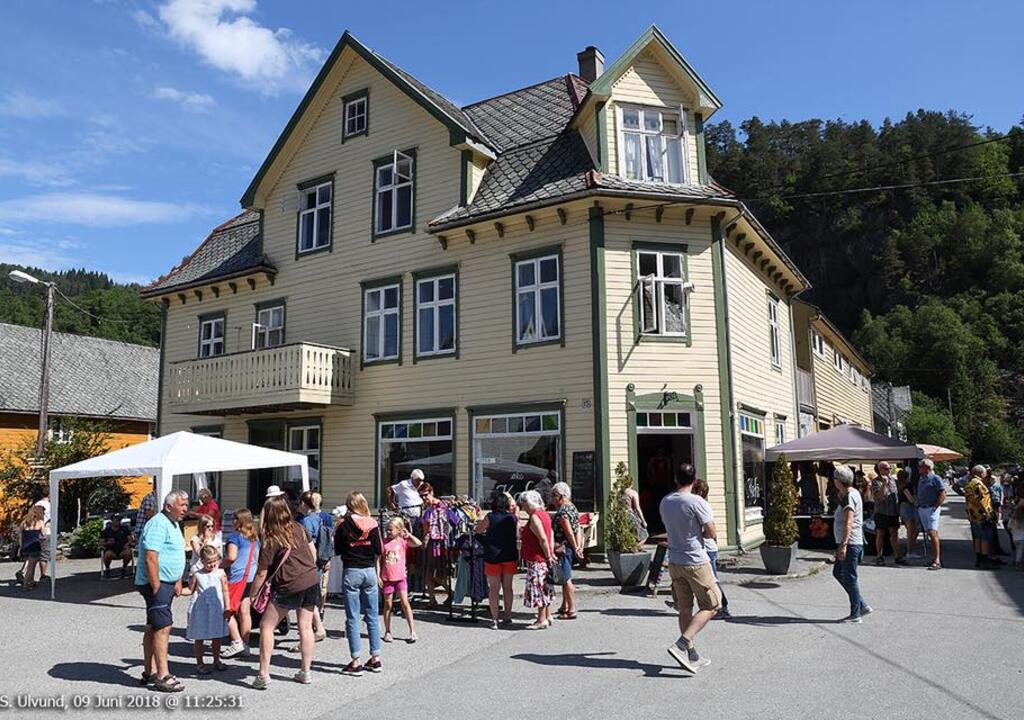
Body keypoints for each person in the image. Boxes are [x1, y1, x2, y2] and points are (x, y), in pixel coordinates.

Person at [249, 495, 320, 689]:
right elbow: (313, 554)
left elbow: (261, 572)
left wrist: (253, 595)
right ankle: (305, 672)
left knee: (266, 626)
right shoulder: (299, 528)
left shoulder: (272, 538)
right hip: (310, 579)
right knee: (305, 627)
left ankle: (263, 674)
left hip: (288, 584)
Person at [660, 463, 720, 672]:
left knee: (685, 608)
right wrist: (698, 534)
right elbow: (711, 532)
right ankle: (681, 644)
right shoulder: (697, 502)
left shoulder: (666, 501)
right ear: (694, 481)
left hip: (675, 560)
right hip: (695, 560)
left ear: (676, 479)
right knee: (712, 605)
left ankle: (691, 654)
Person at [135, 489, 189, 693]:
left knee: (153, 625)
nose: (185, 509)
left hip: (167, 582)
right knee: (163, 626)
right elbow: (151, 556)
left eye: (186, 505)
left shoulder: (172, 523)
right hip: (157, 584)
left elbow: (175, 552)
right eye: (182, 505)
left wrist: (177, 579)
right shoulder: (158, 523)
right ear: (168, 506)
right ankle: (162, 676)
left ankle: (149, 671)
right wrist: (156, 585)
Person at [334, 491, 384, 676]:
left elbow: (338, 549)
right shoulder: (373, 523)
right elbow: (379, 549)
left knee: (353, 617)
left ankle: (356, 661)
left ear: (349, 505)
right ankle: (376, 658)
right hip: (369, 570)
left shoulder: (343, 524)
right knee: (372, 615)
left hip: (352, 570)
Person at [180, 544, 230, 674]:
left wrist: (228, 607)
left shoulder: (221, 573)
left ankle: (216, 660)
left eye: (215, 561)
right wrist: (178, 591)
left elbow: (225, 590)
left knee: (217, 636)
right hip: (201, 610)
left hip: (216, 608)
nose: (212, 564)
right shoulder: (197, 574)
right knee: (199, 637)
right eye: (209, 562)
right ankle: (200, 663)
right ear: (202, 561)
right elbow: (190, 590)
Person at [832, 467, 872, 623]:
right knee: (838, 572)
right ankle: (861, 604)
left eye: (835, 479)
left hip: (850, 542)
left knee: (850, 577)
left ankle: (856, 614)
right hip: (849, 542)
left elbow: (849, 521)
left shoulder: (850, 496)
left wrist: (844, 544)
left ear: (839, 481)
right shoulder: (849, 494)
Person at [475, 490, 519, 629]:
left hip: (493, 556)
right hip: (509, 555)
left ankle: (494, 619)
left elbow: (478, 530)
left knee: (494, 589)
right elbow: (517, 534)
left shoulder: (490, 516)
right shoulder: (512, 518)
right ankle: (508, 616)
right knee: (508, 587)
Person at [221, 509, 260, 658]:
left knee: (227, 610)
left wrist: (218, 566)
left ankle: (236, 641)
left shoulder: (235, 537)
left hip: (237, 578)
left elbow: (231, 557)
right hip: (251, 577)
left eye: (235, 518)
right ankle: (245, 644)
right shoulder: (254, 538)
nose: (232, 521)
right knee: (245, 611)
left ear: (240, 520)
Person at [295, 491, 330, 647]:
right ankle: (318, 628)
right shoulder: (319, 518)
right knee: (308, 601)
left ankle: (305, 639)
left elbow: (304, 544)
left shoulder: (305, 522)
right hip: (317, 563)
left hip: (306, 563)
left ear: (303, 503)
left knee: (303, 602)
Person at [692, 477, 730, 619]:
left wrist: (697, 535)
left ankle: (723, 606)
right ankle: (680, 601)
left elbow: (710, 530)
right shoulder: (697, 505)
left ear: (699, 492)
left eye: (693, 490)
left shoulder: (701, 506)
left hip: (708, 548)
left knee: (712, 579)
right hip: (705, 547)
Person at [380, 517, 422, 643]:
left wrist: (409, 535)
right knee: (388, 604)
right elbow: (378, 560)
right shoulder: (384, 543)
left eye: (391, 530)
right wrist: (378, 575)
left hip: (401, 577)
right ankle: (387, 631)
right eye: (387, 530)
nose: (388, 532)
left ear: (399, 530)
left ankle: (412, 631)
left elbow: (418, 543)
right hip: (387, 577)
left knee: (405, 602)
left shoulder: (402, 541)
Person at [518, 489, 554, 630]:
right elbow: (550, 534)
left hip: (537, 558)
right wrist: (550, 553)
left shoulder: (534, 517)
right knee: (545, 587)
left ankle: (541, 619)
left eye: (524, 504)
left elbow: (542, 538)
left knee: (539, 588)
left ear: (529, 504)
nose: (523, 508)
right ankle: (548, 615)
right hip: (542, 557)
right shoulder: (544, 514)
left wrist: (548, 555)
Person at [419, 483, 454, 607]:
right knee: (431, 573)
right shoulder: (433, 507)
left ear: (432, 492)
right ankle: (433, 599)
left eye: (425, 495)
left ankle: (449, 594)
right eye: (421, 496)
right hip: (436, 543)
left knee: (435, 574)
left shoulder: (438, 507)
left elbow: (427, 527)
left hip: (436, 543)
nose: (424, 498)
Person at [551, 482, 582, 621]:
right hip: (570, 546)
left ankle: (572, 609)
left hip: (563, 547)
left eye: (554, 495)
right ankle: (564, 606)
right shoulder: (573, 507)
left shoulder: (563, 512)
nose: (552, 499)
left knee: (566, 578)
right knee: (565, 576)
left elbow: (568, 531)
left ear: (560, 496)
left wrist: (575, 547)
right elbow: (578, 528)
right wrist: (579, 546)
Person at [964, 465, 1001, 569]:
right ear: (981, 473)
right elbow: (981, 500)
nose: (985, 474)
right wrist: (987, 513)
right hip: (981, 514)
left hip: (973, 514)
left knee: (978, 538)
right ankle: (985, 561)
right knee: (985, 538)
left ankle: (979, 559)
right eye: (984, 472)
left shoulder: (969, 483)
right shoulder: (978, 484)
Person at [916, 458, 946, 570]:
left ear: (927, 468)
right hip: (922, 508)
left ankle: (937, 560)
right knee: (929, 533)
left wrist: (935, 506)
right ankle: (934, 558)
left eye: (921, 466)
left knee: (932, 532)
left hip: (931, 508)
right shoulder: (921, 479)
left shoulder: (935, 478)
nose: (919, 468)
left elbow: (942, 493)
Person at [871, 462, 901, 566]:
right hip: (881, 511)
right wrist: (884, 484)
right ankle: (879, 556)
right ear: (880, 470)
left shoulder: (893, 480)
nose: (889, 470)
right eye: (887, 469)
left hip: (893, 511)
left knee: (894, 533)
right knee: (880, 534)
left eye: (889, 468)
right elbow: (877, 496)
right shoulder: (875, 482)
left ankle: (897, 556)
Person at [18, 505, 46, 591]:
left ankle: (31, 582)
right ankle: (26, 584)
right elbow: (43, 535)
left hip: (25, 546)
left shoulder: (24, 523)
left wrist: (20, 547)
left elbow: (20, 536)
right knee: (31, 567)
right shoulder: (40, 522)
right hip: (34, 546)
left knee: (31, 565)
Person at [187, 514, 221, 581]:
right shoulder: (195, 539)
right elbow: (199, 554)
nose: (210, 528)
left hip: (212, 571)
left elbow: (219, 556)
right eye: (208, 526)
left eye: (212, 526)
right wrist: (204, 541)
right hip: (197, 570)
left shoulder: (216, 539)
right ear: (202, 526)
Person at [101, 513, 134, 579]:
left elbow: (130, 539)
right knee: (108, 554)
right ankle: (107, 569)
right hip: (111, 550)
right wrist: (108, 543)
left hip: (122, 549)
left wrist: (127, 544)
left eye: (119, 520)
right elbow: (101, 543)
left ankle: (124, 568)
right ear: (112, 520)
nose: (118, 521)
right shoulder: (106, 531)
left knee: (128, 553)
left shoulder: (125, 529)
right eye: (116, 519)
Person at [620, 471, 649, 544]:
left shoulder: (620, 493)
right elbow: (637, 508)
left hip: (622, 516)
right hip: (631, 515)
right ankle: (635, 548)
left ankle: (631, 547)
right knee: (644, 536)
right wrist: (643, 521)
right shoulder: (633, 493)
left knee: (629, 536)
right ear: (631, 483)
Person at [896, 468, 918, 561]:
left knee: (911, 530)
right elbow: (910, 498)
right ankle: (909, 551)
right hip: (908, 507)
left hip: (902, 507)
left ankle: (909, 550)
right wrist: (916, 503)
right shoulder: (907, 486)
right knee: (912, 531)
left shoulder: (898, 485)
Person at [1009, 504, 1024, 569]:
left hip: (1014, 538)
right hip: (1022, 538)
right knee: (1020, 552)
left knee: (1017, 550)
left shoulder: (1012, 519)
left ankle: (1017, 562)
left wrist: (1012, 532)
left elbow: (1009, 527)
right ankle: (1017, 564)